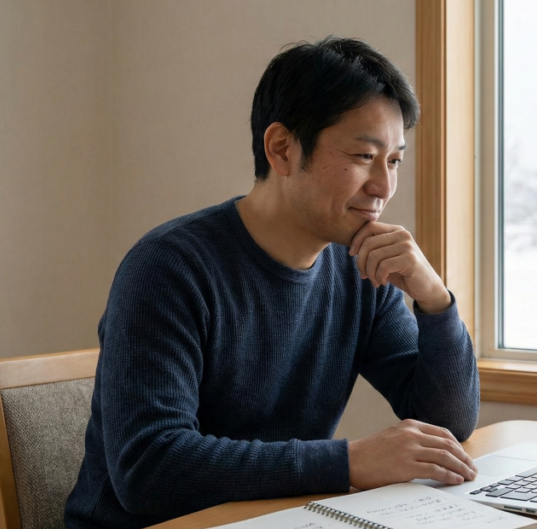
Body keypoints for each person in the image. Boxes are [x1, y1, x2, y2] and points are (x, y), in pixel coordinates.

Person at [65, 36, 480, 529]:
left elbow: (446, 425)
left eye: (393, 160)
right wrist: (348, 461)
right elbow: (149, 469)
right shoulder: (168, 268)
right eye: (364, 156)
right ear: (282, 148)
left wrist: (435, 301)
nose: (383, 187)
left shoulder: (359, 269)